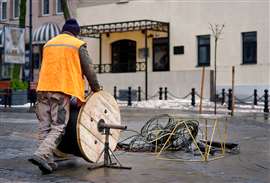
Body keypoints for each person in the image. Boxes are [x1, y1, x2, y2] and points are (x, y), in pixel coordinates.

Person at [28, 18, 101, 174]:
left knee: (44, 127)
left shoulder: (49, 44)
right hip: (60, 91)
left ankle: (46, 161)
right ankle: (42, 154)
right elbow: (89, 69)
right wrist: (96, 88)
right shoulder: (77, 45)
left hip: (42, 90)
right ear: (76, 33)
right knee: (59, 127)